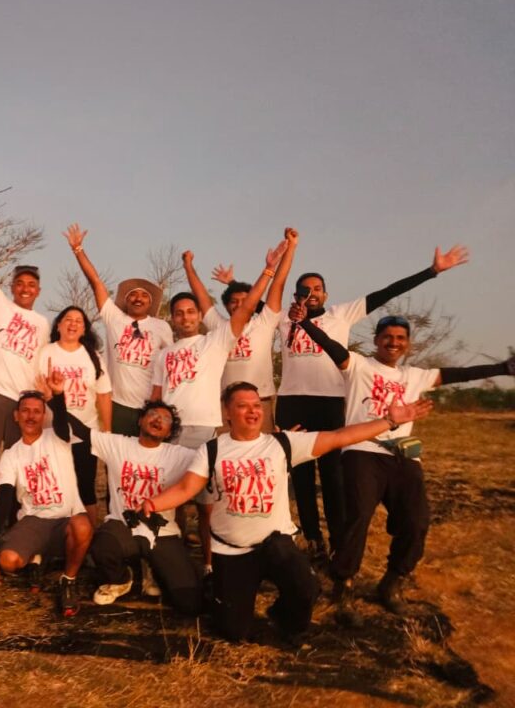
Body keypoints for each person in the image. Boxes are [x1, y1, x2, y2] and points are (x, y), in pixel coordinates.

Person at [141, 381, 432, 642]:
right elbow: (185, 489)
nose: (253, 411)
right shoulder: (212, 449)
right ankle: (223, 597)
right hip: (232, 551)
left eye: (257, 405)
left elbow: (340, 437)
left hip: (275, 544)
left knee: (307, 589)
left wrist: (390, 420)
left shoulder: (282, 443)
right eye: (242, 406)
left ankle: (282, 617)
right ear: (227, 413)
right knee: (232, 631)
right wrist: (152, 504)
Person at [289, 307, 515, 625]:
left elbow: (458, 375)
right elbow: (332, 346)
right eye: (387, 337)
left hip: (403, 456)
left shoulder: (414, 376)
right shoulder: (359, 366)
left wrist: (504, 367)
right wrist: (304, 324)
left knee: (417, 520)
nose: (393, 343)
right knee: (357, 517)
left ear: (406, 343)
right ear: (376, 341)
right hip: (362, 451)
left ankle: (393, 580)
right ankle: (345, 584)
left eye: (400, 338)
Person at [276, 245, 469, 563]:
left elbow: (387, 292)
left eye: (317, 289)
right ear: (296, 294)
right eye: (304, 289)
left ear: (326, 294)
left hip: (332, 403)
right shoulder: (284, 318)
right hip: (292, 403)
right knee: (301, 478)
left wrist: (432, 271)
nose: (311, 293)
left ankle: (340, 542)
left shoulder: (342, 314)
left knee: (334, 478)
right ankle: (313, 540)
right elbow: (259, 301)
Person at [151, 239, 290, 568]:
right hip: (171, 431)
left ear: (200, 315)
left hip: (203, 430)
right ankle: (177, 559)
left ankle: (212, 563)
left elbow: (246, 307)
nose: (185, 317)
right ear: (171, 319)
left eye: (190, 312)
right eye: (178, 313)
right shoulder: (164, 354)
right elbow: (155, 397)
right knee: (173, 502)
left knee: (206, 503)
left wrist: (268, 270)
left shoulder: (216, 339)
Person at [62, 399, 202, 615]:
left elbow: (212, 461)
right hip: (123, 526)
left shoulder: (179, 455)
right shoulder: (118, 444)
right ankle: (121, 579)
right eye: (153, 414)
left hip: (161, 531)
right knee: (102, 546)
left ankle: (152, 566)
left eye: (166, 419)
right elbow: (79, 429)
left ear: (169, 432)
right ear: (140, 420)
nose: (158, 420)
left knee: (188, 603)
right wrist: (56, 396)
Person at [0, 369, 94, 617]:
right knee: (8, 561)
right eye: (26, 411)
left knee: (83, 526)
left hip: (65, 518)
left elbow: (64, 424)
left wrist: (58, 396)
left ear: (44, 416)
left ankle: (68, 580)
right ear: (16, 415)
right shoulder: (11, 455)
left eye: (37, 411)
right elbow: (5, 497)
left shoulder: (58, 437)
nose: (31, 416)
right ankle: (37, 557)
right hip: (34, 521)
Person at [64, 223, 172, 436]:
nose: (138, 298)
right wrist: (78, 250)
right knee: (118, 462)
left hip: (150, 404)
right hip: (118, 405)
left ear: (150, 303)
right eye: (133, 294)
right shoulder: (115, 318)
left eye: (144, 295)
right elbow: (96, 283)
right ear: (125, 299)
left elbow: (171, 363)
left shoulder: (161, 327)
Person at [0, 197, 49, 452]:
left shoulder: (44, 324)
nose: (25, 288)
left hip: (23, 401)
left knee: (19, 463)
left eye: (31, 284)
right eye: (20, 283)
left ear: (38, 291)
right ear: (12, 287)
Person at [205, 228, 299, 433]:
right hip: (224, 406)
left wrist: (291, 247)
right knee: (225, 460)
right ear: (226, 306)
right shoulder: (218, 326)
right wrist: (188, 266)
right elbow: (202, 299)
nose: (239, 305)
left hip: (261, 402)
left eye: (244, 301)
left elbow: (278, 284)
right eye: (233, 302)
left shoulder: (263, 323)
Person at [38, 305, 113, 524]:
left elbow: (104, 395)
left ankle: (88, 540)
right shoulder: (47, 352)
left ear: (84, 329)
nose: (73, 324)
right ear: (59, 325)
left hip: (85, 432)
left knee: (85, 488)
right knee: (54, 485)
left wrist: (106, 431)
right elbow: (37, 390)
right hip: (52, 431)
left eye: (78, 321)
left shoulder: (93, 357)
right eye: (68, 319)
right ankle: (55, 537)